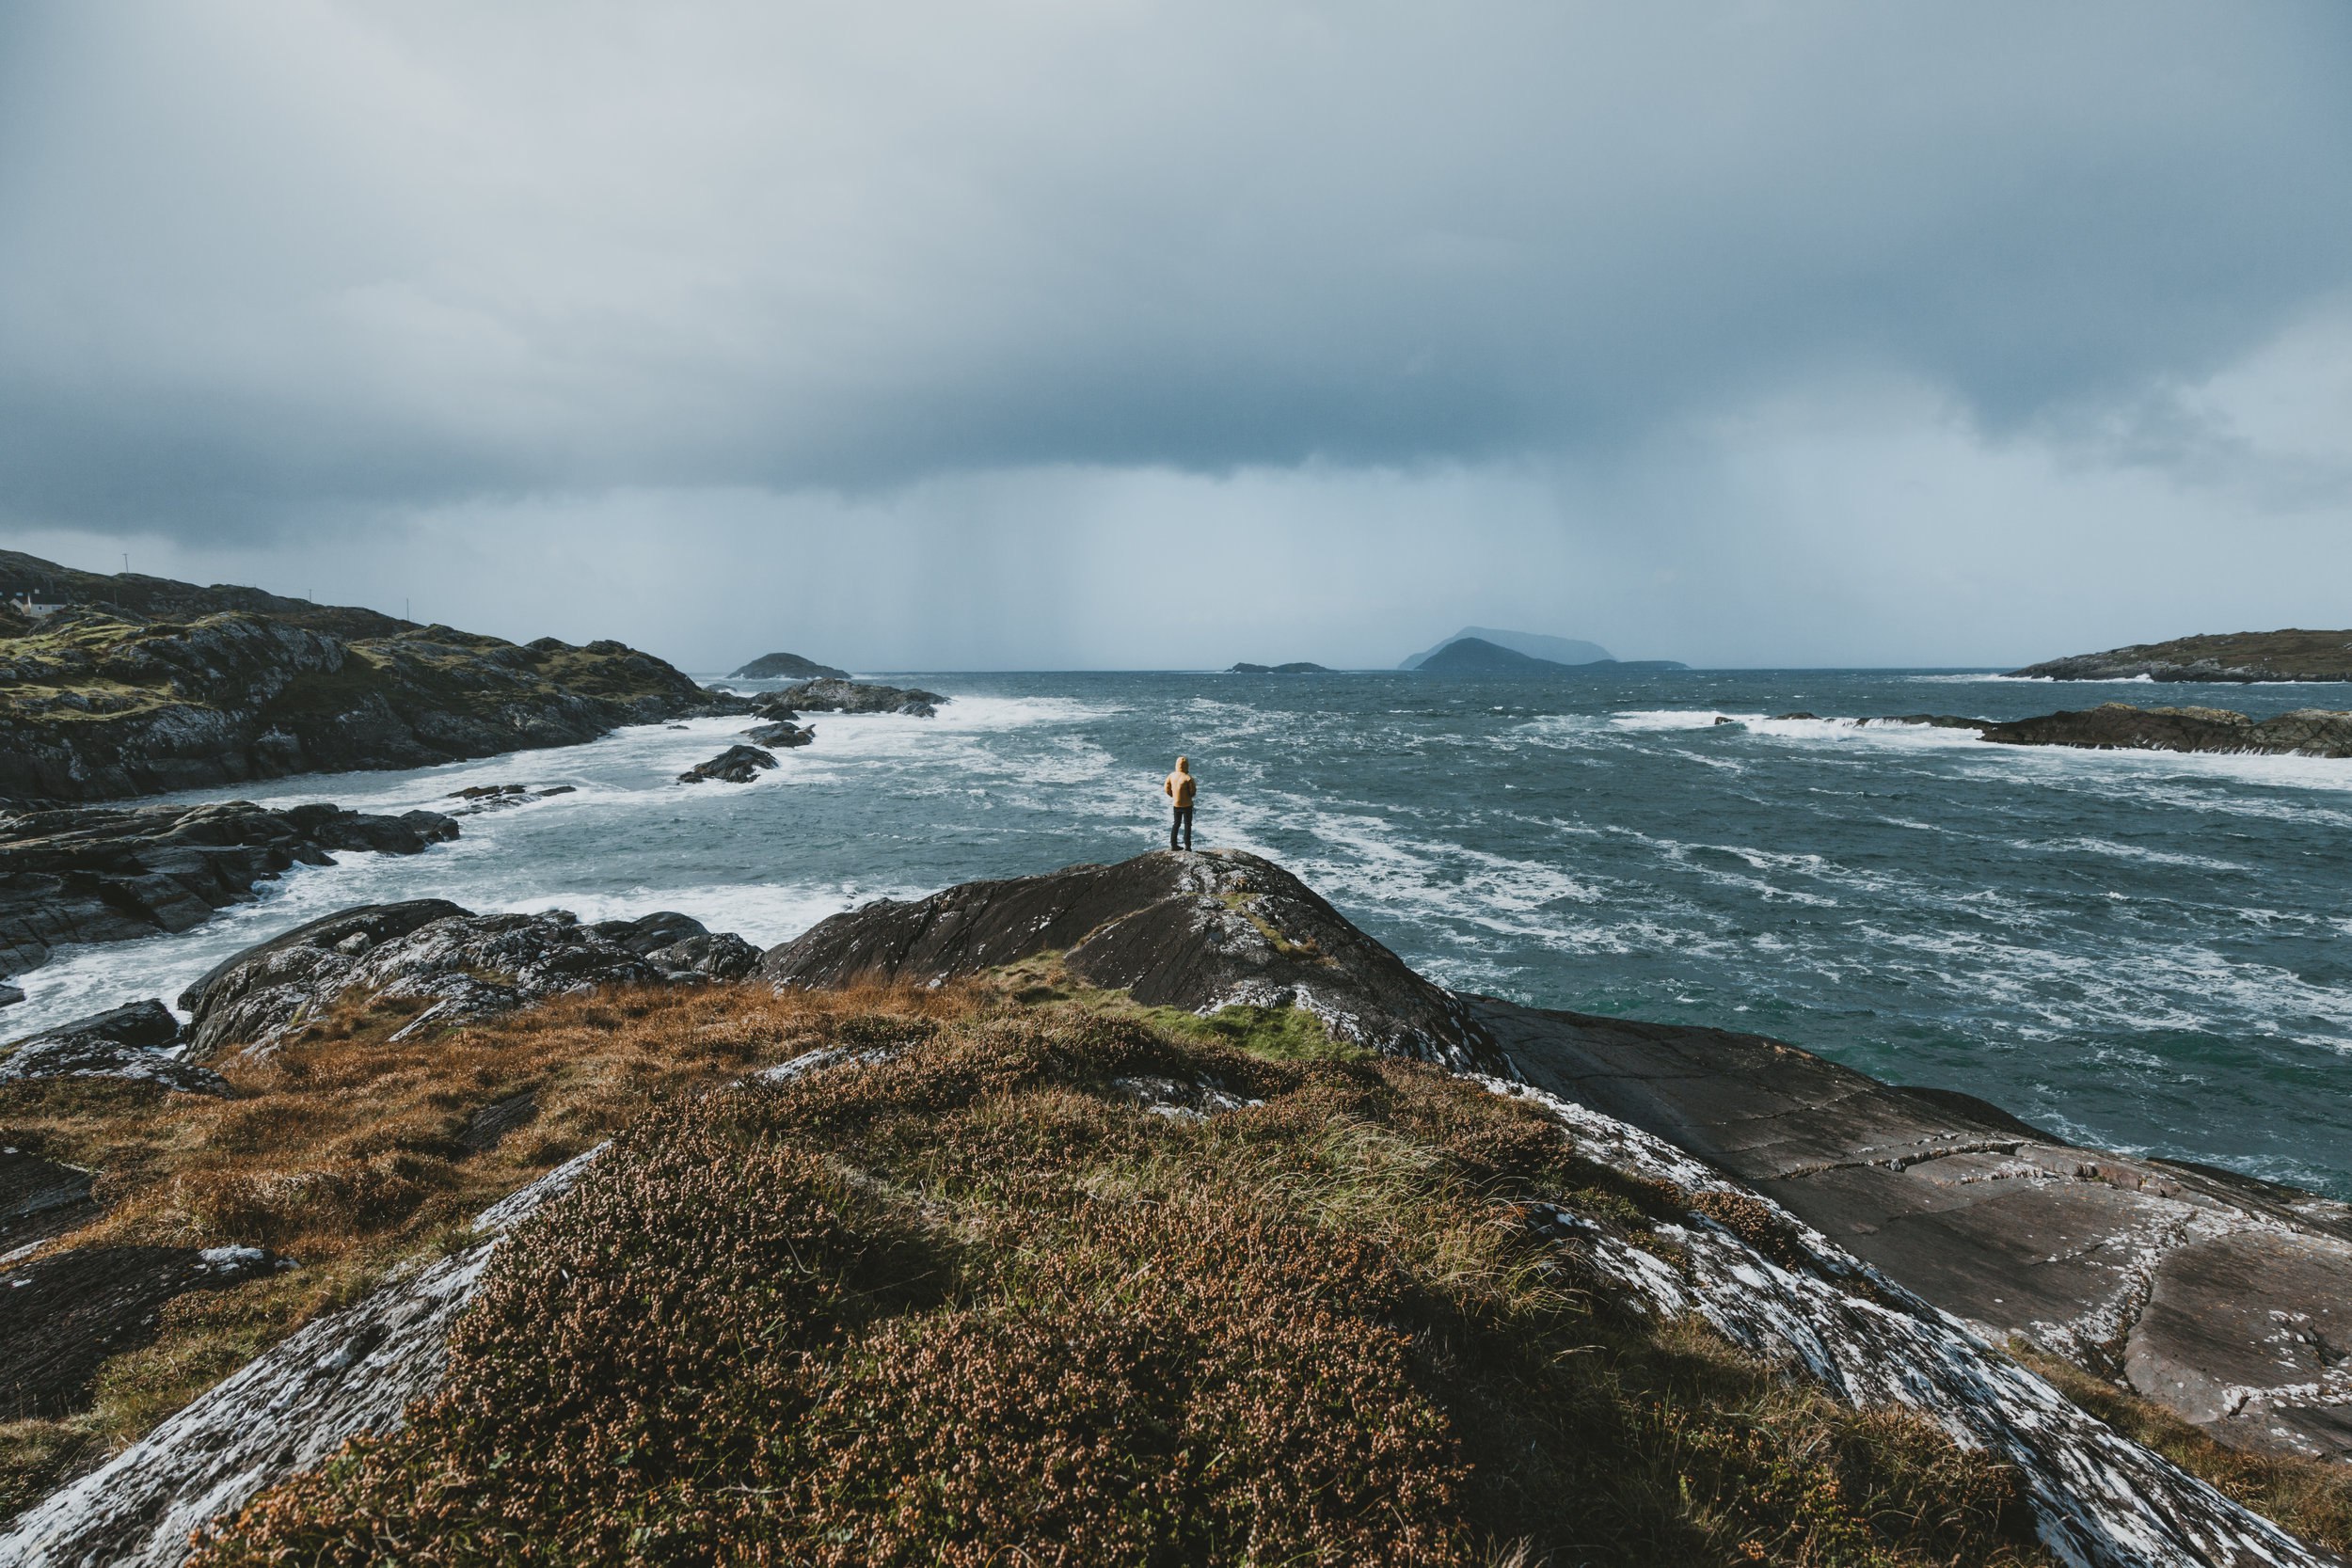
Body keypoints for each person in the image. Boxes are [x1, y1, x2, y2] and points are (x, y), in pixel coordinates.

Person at [1164, 755, 1197, 850]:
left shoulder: (1171, 776)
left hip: (1176, 804)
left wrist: (1173, 795)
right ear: (1186, 766)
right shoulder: (1188, 778)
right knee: (1187, 825)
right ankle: (1188, 846)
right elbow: (1193, 791)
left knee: (1176, 824)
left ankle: (1173, 845)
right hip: (1187, 805)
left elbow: (1166, 788)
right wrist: (1189, 796)